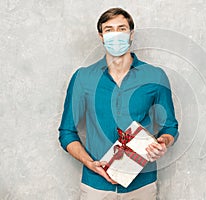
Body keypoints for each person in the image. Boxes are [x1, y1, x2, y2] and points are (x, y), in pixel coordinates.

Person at [58, 7, 178, 200]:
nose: (115, 35)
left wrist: (163, 142)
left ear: (131, 34)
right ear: (101, 36)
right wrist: (90, 164)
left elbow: (170, 126)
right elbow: (66, 132)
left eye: (121, 29)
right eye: (109, 29)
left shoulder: (155, 76)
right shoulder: (83, 78)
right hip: (95, 186)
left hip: (142, 184)